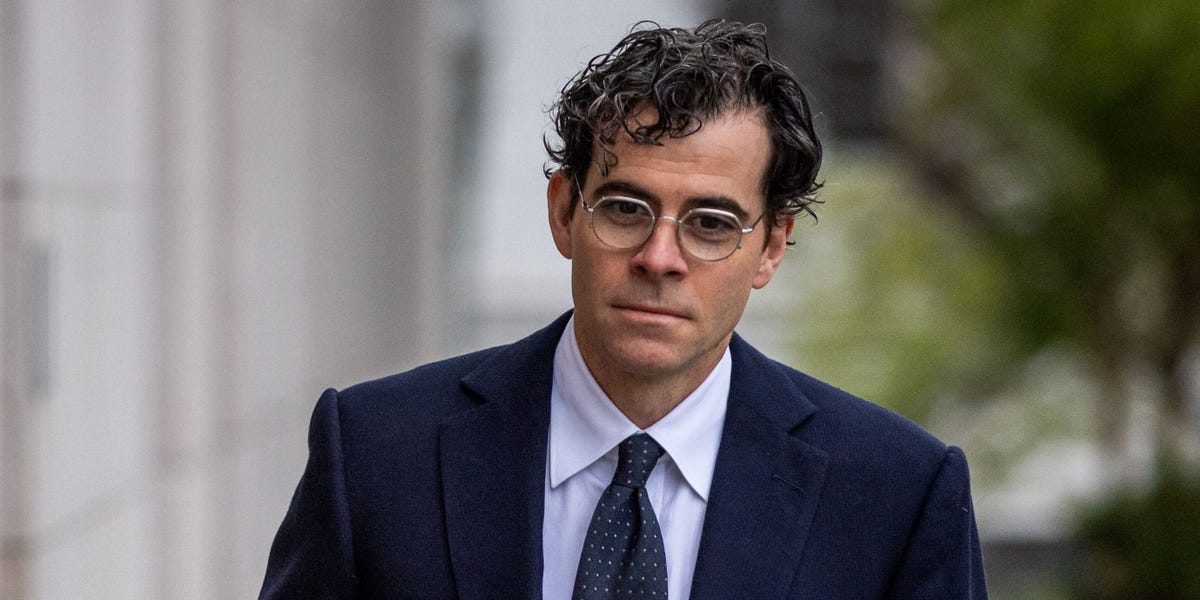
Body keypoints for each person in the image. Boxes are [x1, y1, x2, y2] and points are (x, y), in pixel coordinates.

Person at [259, 19, 987, 600]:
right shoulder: (377, 453)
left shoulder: (896, 495)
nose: (659, 257)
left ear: (771, 248)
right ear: (564, 212)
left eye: (710, 224)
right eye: (626, 208)